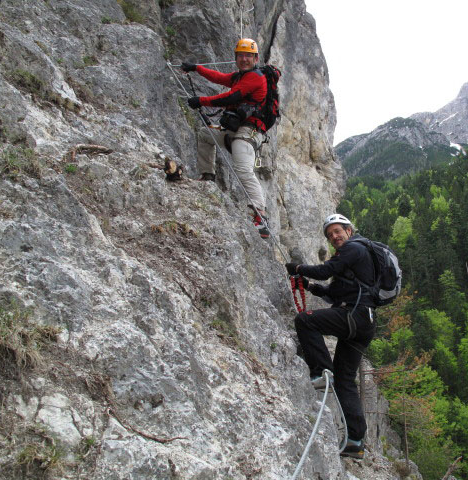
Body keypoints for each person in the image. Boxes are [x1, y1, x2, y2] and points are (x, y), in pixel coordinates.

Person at [285, 214, 376, 459]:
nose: (334, 237)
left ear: (348, 230)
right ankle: (356, 441)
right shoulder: (355, 257)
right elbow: (334, 291)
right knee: (346, 381)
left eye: (337, 231)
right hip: (363, 321)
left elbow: (326, 271)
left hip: (353, 316)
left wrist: (297, 268)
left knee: (305, 321)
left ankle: (322, 373)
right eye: (330, 235)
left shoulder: (354, 248)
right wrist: (310, 286)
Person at [181, 38, 270, 239]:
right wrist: (196, 68)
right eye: (240, 55)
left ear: (255, 58)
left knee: (243, 169)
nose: (244, 59)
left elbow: (231, 98)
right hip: (234, 129)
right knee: (205, 135)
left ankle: (261, 215)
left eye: (248, 55)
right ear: (236, 57)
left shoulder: (255, 78)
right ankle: (208, 175)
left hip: (249, 131)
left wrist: (201, 101)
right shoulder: (240, 77)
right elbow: (219, 77)